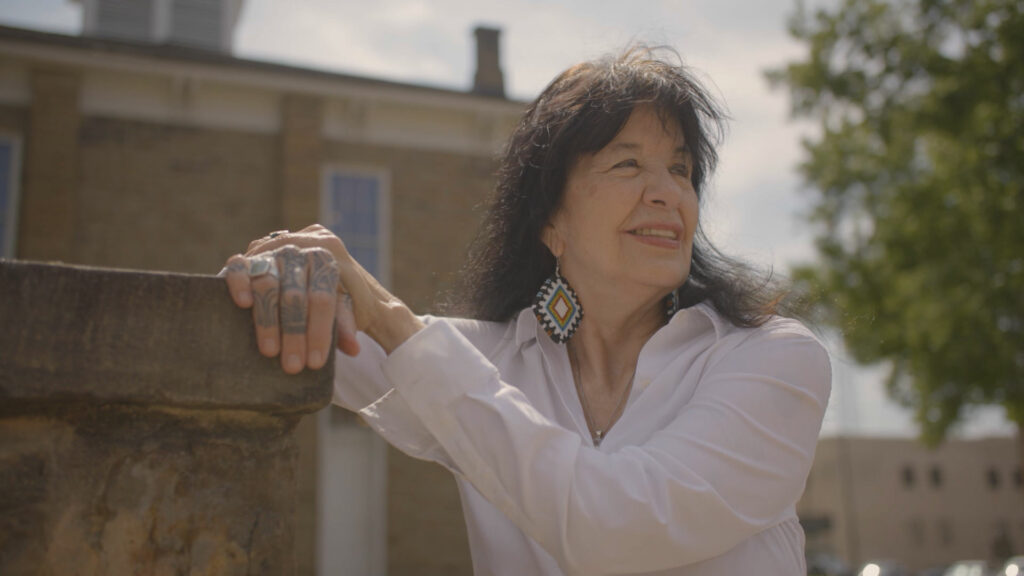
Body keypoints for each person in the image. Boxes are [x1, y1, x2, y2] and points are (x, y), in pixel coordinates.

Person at [223, 46, 831, 575]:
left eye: (681, 169)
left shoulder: (772, 360)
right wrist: (274, 274)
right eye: (628, 163)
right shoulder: (489, 359)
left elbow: (612, 527)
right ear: (550, 223)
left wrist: (389, 317)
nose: (668, 192)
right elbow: (240, 326)